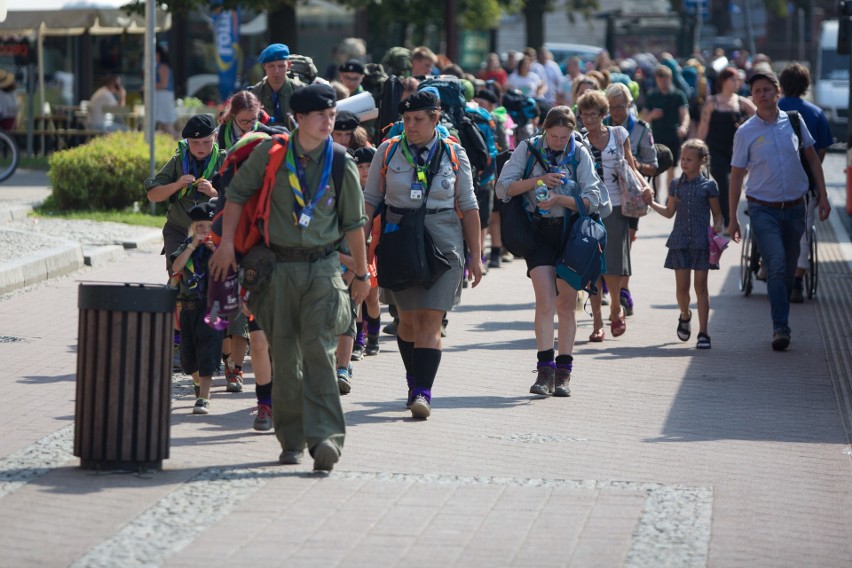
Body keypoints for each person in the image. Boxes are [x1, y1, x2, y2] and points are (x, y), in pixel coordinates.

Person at [210, 83, 370, 472]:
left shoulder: (340, 161)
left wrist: (363, 272)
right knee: (285, 355)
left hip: (323, 269)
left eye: (332, 115)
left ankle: (326, 439)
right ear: (299, 118)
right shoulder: (271, 154)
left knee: (319, 349)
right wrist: (228, 243)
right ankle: (291, 438)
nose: (328, 122)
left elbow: (354, 224)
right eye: (321, 116)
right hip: (277, 270)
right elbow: (235, 196)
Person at [363, 91, 483, 419]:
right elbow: (371, 199)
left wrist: (476, 255)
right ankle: (413, 378)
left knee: (431, 317)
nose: (411, 126)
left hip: (444, 239)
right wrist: (359, 246)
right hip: (399, 237)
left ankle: (422, 392)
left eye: (418, 120)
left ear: (435, 119)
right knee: (408, 321)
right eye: (406, 120)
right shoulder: (387, 151)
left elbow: (470, 206)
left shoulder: (454, 154)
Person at [496, 106, 602, 397]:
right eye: (554, 136)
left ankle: (564, 373)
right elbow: (502, 189)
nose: (559, 142)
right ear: (544, 130)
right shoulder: (527, 148)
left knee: (566, 304)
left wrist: (561, 198)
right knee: (544, 301)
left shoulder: (579, 152)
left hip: (571, 234)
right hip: (538, 233)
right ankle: (545, 371)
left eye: (564, 136)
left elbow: (595, 199)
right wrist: (537, 182)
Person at [729, 70, 831, 351]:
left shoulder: (795, 122)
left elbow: (812, 158)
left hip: (796, 207)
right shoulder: (745, 132)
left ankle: (781, 317)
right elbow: (736, 176)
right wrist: (732, 219)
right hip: (763, 209)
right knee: (775, 266)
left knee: (787, 271)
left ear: (777, 92)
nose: (763, 95)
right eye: (757, 91)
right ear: (753, 97)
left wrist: (822, 196)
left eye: (767, 89)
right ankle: (780, 327)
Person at [579, 90, 646, 342]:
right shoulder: (580, 141)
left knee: (614, 263)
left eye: (593, 114)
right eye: (584, 115)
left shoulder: (619, 134)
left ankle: (616, 307)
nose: (588, 119)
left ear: (603, 115)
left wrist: (644, 187)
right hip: (590, 208)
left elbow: (630, 165)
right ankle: (597, 321)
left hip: (617, 205)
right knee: (593, 265)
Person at [646, 139, 722, 349]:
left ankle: (704, 333)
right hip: (679, 241)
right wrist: (651, 202)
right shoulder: (676, 184)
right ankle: (685, 315)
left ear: (702, 161)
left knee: (701, 287)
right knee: (682, 289)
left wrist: (718, 226)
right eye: (683, 158)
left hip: (701, 243)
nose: (684, 162)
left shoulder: (709, 186)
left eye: (689, 159)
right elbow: (670, 212)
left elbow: (717, 215)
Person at [777, 63, 833, 303]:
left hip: (772, 183)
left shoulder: (773, 108)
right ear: (805, 85)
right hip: (805, 185)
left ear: (781, 85)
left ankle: (769, 268)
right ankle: (797, 281)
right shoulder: (816, 113)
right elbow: (820, 151)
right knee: (802, 233)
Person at [145, 114, 226, 273]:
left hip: (213, 231)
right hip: (179, 229)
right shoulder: (178, 161)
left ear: (215, 137)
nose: (201, 148)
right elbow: (153, 195)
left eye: (206, 142)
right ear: (187, 141)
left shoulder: (224, 160)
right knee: (177, 277)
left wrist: (213, 193)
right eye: (195, 143)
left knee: (213, 278)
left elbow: (237, 199)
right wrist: (176, 185)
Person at [604, 81, 658, 315]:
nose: (615, 112)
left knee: (626, 243)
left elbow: (654, 166)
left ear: (629, 105)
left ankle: (623, 292)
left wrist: (633, 164)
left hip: (632, 197)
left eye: (620, 107)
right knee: (607, 244)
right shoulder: (600, 128)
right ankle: (610, 287)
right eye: (612, 107)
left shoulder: (641, 130)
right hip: (607, 197)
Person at [169, 202, 223, 414]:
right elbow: (176, 267)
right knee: (188, 357)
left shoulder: (220, 248)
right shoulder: (186, 247)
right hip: (188, 306)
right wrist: (192, 246)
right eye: (200, 226)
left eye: (209, 226)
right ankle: (198, 382)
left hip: (214, 305)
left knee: (208, 347)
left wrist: (215, 250)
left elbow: (229, 271)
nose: (205, 231)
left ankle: (204, 398)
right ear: (193, 228)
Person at [695, 67, 756, 230]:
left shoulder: (742, 102)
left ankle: (726, 217)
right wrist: (695, 150)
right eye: (733, 79)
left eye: (738, 80)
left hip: (737, 151)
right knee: (723, 181)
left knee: (733, 186)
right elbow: (703, 127)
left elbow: (761, 119)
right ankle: (728, 220)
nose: (737, 83)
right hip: (715, 150)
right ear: (723, 81)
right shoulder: (712, 102)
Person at [352, 146, 383, 359]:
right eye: (360, 166)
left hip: (375, 250)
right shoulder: (350, 190)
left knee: (372, 298)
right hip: (355, 250)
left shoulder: (383, 191)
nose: (365, 171)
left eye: (369, 166)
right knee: (356, 297)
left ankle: (373, 337)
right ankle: (357, 340)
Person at [641, 65, 689, 193]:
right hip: (656, 136)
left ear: (670, 78)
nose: (663, 82)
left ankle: (670, 195)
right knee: (655, 168)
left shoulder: (678, 95)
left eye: (666, 79)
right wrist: (651, 115)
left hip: (673, 136)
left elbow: (685, 114)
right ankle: (656, 194)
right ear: (656, 80)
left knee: (671, 168)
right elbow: (644, 118)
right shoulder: (652, 96)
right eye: (660, 80)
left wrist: (684, 126)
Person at [248, 43, 302, 128]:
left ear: (289, 65)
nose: (276, 71)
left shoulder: (301, 92)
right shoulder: (255, 94)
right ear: (264, 66)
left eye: (281, 66)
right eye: (271, 66)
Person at [217, 90, 287, 150]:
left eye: (254, 119)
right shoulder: (220, 134)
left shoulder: (266, 133)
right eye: (244, 121)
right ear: (233, 114)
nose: (250, 124)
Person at [155, 46, 178, 137]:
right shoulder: (159, 66)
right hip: (162, 97)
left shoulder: (163, 67)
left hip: (164, 97)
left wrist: (148, 85)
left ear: (158, 54)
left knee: (167, 126)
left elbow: (164, 84)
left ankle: (182, 144)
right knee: (165, 127)